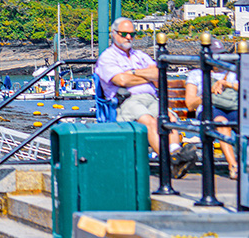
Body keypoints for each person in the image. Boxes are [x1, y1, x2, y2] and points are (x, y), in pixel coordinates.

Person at [95, 17, 197, 176]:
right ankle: (172, 160)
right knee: (148, 121)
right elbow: (120, 80)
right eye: (124, 34)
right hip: (125, 101)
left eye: (132, 34)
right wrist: (145, 76)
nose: (129, 37)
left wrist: (133, 73)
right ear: (114, 34)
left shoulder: (140, 56)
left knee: (168, 118)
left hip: (150, 98)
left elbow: (157, 73)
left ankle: (176, 156)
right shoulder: (107, 57)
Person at [185, 45, 239, 179]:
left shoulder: (233, 72)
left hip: (232, 107)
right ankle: (234, 166)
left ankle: (243, 163)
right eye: (216, 55)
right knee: (222, 123)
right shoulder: (196, 74)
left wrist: (227, 84)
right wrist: (208, 92)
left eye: (222, 54)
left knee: (244, 122)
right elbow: (190, 104)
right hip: (209, 109)